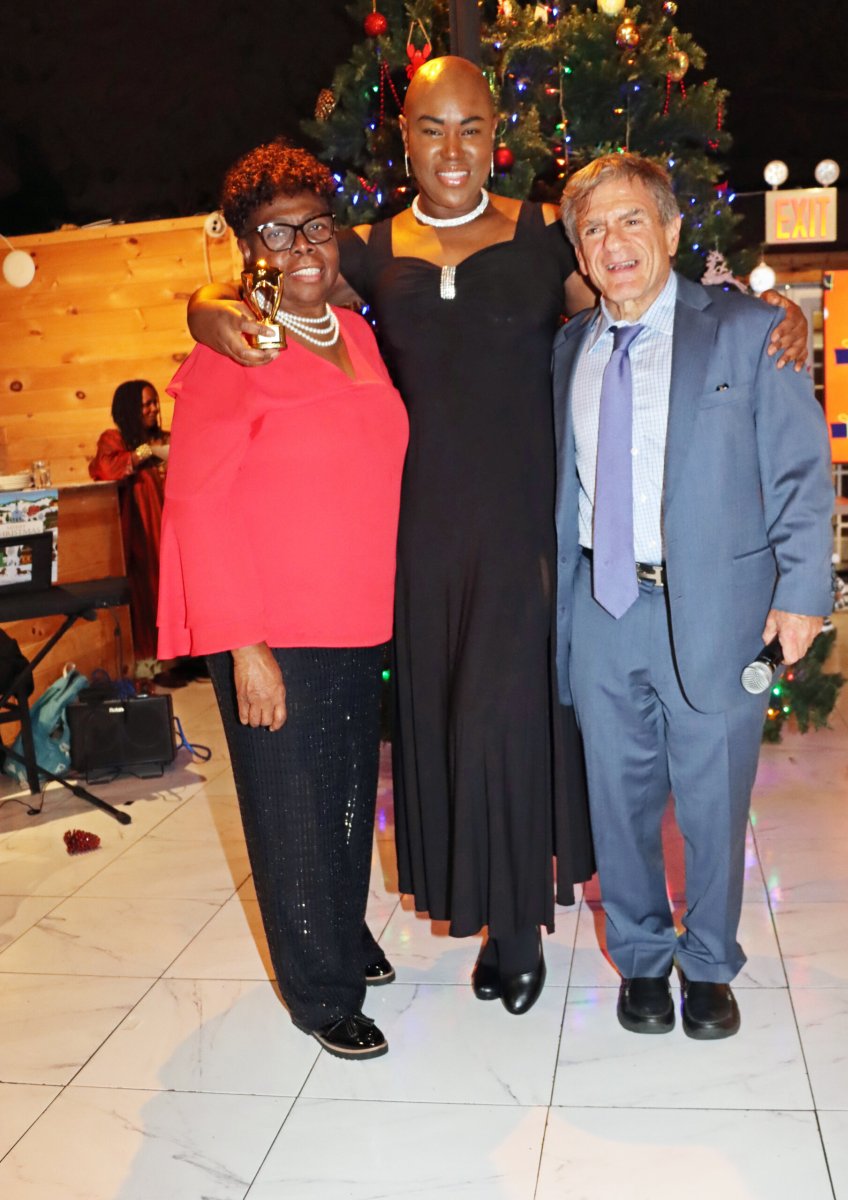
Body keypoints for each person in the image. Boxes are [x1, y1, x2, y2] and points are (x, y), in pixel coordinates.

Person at [186, 56, 809, 1015]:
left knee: (513, 727)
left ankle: (517, 927)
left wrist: (762, 314)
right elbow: (284, 278)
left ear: (494, 133)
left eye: (471, 127)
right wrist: (207, 309)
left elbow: (637, 290)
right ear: (404, 137)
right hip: (423, 539)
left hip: (532, 536)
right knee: (442, 727)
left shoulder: (539, 234)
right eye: (431, 127)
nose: (452, 148)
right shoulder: (365, 246)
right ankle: (473, 911)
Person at [553, 153, 833, 1039]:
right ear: (580, 253)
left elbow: (798, 470)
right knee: (618, 799)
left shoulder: (750, 332)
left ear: (672, 232)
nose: (614, 242)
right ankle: (639, 956)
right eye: (594, 229)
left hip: (715, 610)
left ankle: (709, 962)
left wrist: (801, 593)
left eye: (633, 220)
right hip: (602, 606)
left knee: (713, 800)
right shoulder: (569, 349)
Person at [157, 141, 408, 1059]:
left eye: (316, 226)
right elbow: (196, 501)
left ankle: (343, 933)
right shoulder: (234, 349)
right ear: (245, 246)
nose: (303, 246)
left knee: (346, 795)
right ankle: (319, 991)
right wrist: (243, 643)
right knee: (292, 809)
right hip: (276, 627)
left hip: (358, 613)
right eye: (277, 232)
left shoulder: (359, 334)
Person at [89, 380, 170, 675]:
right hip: (140, 531)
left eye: (154, 403)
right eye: (145, 404)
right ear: (129, 410)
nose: (153, 409)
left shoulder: (164, 438)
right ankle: (152, 666)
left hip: (171, 529)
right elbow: (104, 469)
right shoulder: (116, 439)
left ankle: (184, 661)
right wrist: (146, 451)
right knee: (147, 592)